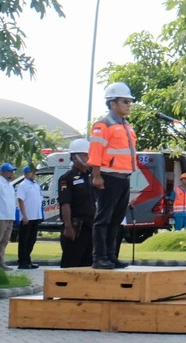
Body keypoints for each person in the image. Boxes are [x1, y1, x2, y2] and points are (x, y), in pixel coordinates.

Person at [89, 81, 139, 270]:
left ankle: (111, 256)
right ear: (112, 104)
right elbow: (95, 151)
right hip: (108, 178)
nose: (129, 105)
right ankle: (99, 257)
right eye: (125, 101)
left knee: (116, 220)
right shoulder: (103, 125)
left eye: (129, 101)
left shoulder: (126, 125)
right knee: (103, 219)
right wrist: (96, 176)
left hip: (123, 178)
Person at [58, 140, 95, 268]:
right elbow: (65, 203)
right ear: (75, 157)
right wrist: (68, 227)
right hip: (76, 227)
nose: (88, 157)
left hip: (90, 226)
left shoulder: (92, 177)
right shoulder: (67, 178)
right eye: (85, 155)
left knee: (88, 265)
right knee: (71, 264)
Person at [15, 163, 44, 270]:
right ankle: (22, 261)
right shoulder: (23, 185)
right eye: (32, 172)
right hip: (27, 217)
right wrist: (24, 215)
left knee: (32, 239)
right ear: (27, 173)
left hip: (35, 216)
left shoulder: (36, 184)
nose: (34, 174)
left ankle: (27, 259)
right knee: (24, 240)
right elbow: (20, 200)